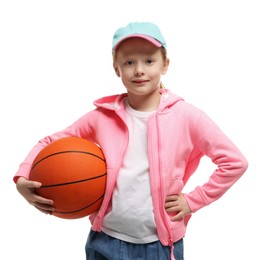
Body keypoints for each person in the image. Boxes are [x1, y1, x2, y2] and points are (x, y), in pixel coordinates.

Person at [14, 22, 248, 260]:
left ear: (165, 65)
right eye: (129, 62)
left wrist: (194, 200)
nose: (139, 70)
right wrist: (23, 177)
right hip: (104, 239)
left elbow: (234, 162)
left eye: (149, 61)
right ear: (117, 68)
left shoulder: (187, 116)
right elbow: (49, 142)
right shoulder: (101, 117)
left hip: (158, 245)